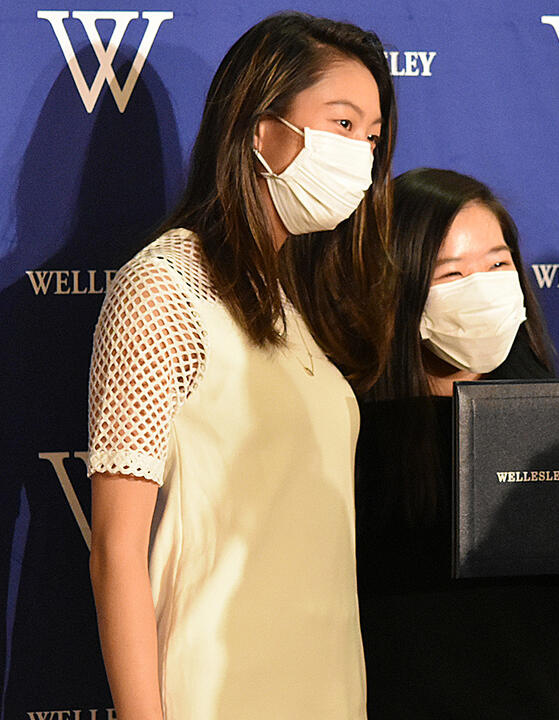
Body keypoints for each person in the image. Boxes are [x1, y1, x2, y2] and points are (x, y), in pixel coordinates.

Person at [86, 12, 396, 720]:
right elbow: (116, 549)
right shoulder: (164, 287)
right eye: (343, 125)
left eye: (373, 138)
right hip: (214, 691)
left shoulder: (303, 303)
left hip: (329, 688)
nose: (362, 156)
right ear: (261, 129)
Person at [355, 168, 559, 719]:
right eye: (451, 273)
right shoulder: (349, 427)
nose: (482, 285)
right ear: (398, 286)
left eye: (498, 263)